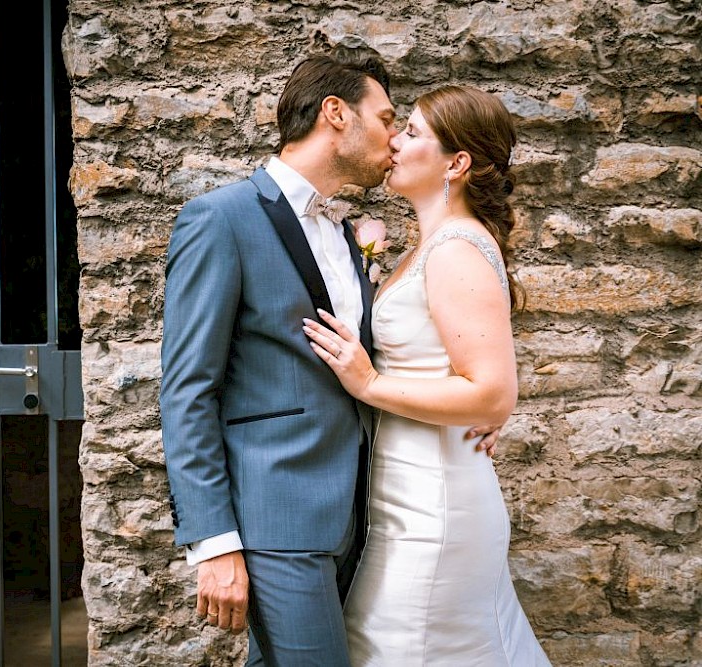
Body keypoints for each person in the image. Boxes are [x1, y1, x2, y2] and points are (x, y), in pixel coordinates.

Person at [160, 47, 502, 666]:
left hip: (359, 517)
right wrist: (213, 542)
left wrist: (473, 401)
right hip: (276, 521)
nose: (394, 137)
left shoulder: (346, 234)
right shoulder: (222, 219)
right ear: (336, 113)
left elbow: (385, 360)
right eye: (386, 118)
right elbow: (189, 389)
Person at [303, 85, 552, 665]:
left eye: (412, 132)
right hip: (408, 494)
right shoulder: (432, 245)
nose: (394, 139)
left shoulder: (455, 249)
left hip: (435, 508)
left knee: (406, 645)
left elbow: (491, 391)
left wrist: (368, 385)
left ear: (457, 163)